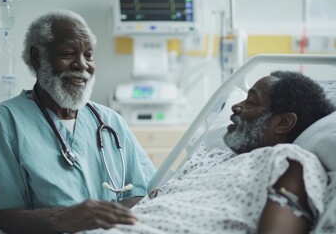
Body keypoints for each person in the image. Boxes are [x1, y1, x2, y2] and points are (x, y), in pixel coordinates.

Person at [75, 71, 335, 234]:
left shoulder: (289, 162)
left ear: (283, 123)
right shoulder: (211, 157)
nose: (236, 106)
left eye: (251, 101)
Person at [0, 10, 156, 233]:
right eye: (68, 53)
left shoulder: (110, 121)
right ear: (37, 57)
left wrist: (102, 216)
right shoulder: (7, 122)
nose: (82, 65)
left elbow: (145, 194)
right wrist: (61, 217)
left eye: (88, 55)